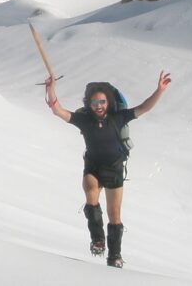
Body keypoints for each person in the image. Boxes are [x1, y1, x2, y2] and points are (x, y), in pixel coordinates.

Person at [44, 71, 172, 268]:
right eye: (95, 103)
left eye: (102, 102)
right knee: (90, 190)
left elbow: (144, 108)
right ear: (89, 104)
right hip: (93, 166)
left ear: (108, 102)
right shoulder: (84, 120)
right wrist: (50, 90)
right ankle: (97, 240)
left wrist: (159, 91)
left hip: (114, 168)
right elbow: (58, 111)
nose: (99, 106)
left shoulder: (118, 117)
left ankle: (114, 256)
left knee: (114, 214)